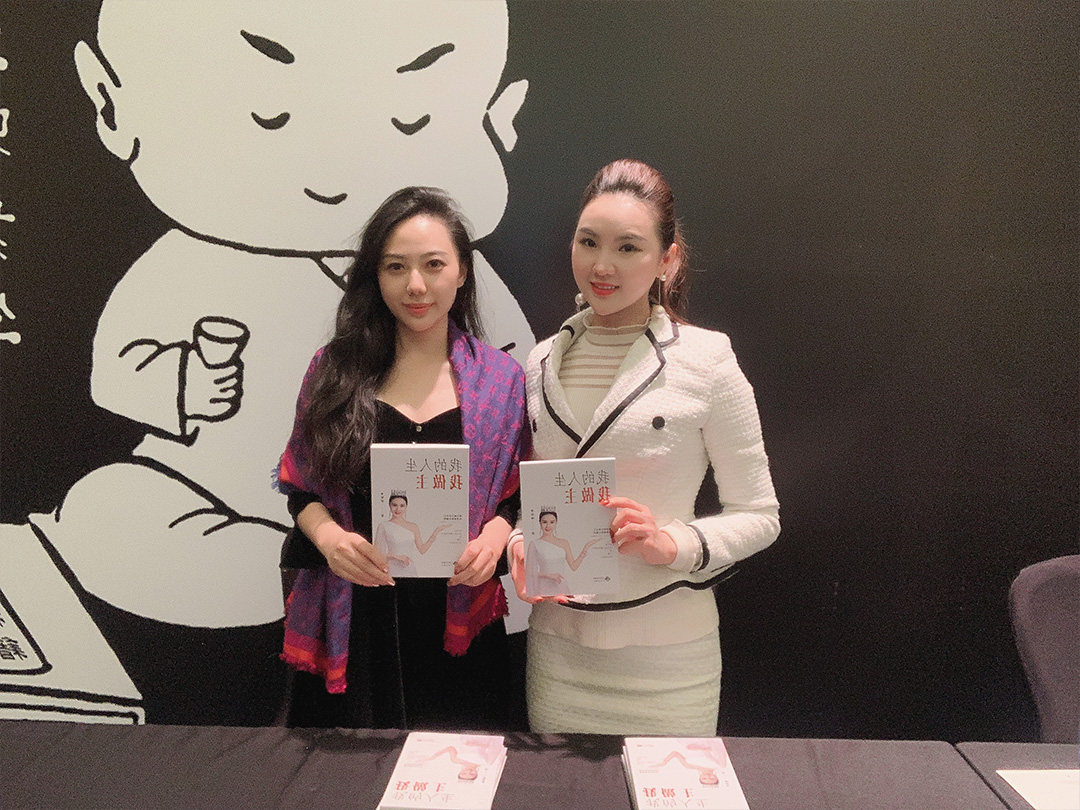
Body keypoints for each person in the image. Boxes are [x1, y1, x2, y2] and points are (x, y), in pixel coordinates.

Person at [509, 159, 780, 735]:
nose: (602, 266)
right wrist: (519, 544)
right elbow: (538, 496)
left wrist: (670, 542)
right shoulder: (539, 362)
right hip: (559, 646)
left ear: (667, 260)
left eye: (628, 247)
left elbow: (760, 515)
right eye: (588, 242)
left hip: (668, 653)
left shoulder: (706, 360)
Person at [275, 186, 528, 730]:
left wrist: (494, 538)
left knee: (460, 763)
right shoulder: (335, 370)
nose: (416, 285)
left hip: (459, 621)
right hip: (356, 617)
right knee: (352, 770)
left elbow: (515, 495)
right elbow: (300, 488)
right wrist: (330, 540)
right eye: (396, 267)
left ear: (461, 271)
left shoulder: (501, 380)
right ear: (376, 275)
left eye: (433, 264)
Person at [525, 509, 603, 596]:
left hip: (561, 585)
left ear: (556, 523)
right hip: (545, 587)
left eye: (552, 522)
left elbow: (573, 566)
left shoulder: (563, 542)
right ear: (540, 523)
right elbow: (529, 572)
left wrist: (586, 548)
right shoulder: (535, 544)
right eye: (544, 522)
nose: (548, 526)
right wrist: (549, 575)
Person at [374, 492, 450, 576]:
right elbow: (377, 554)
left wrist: (436, 531)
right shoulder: (384, 526)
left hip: (409, 568)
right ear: (389, 506)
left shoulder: (413, 526)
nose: (398, 509)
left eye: (402, 506)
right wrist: (397, 557)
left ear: (406, 507)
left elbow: (422, 550)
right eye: (394, 505)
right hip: (392, 568)